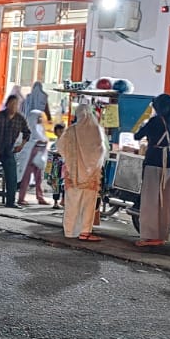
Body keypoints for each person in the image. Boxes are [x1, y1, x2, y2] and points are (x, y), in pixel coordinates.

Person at [135, 93, 170, 247]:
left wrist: (144, 123)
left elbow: (137, 136)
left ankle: (149, 235)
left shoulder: (154, 121)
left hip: (154, 159)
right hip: (169, 161)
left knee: (150, 200)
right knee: (165, 201)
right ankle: (162, 234)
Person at [58, 102, 108, 241]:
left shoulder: (72, 130)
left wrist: (70, 159)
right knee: (88, 204)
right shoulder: (97, 130)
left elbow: (60, 146)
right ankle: (85, 232)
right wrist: (93, 166)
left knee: (72, 203)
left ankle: (69, 231)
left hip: (74, 174)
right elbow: (101, 151)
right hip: (91, 176)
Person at [18, 108, 50, 205]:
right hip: (30, 155)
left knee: (39, 178)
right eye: (38, 117)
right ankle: (21, 198)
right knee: (26, 178)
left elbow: (43, 138)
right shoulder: (29, 129)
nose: (40, 119)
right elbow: (31, 141)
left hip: (39, 156)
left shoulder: (40, 128)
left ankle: (40, 197)